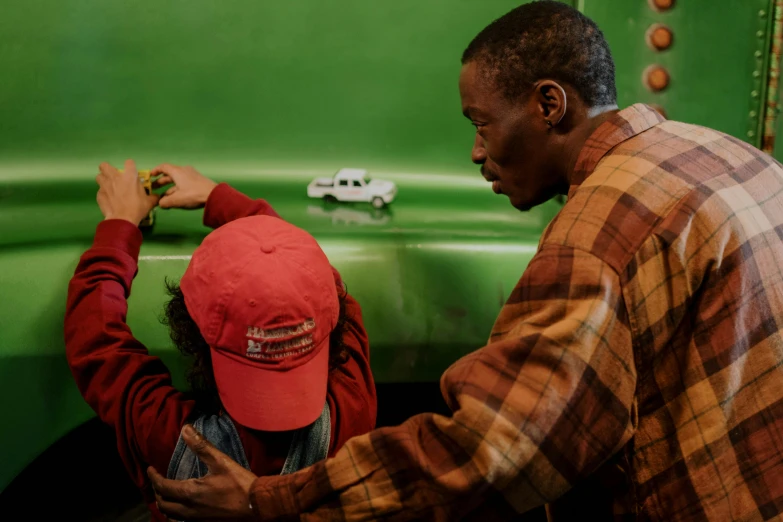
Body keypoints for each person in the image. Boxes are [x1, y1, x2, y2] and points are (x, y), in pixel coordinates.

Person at [147, 1, 783, 520]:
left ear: (550, 105)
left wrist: (270, 501)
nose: (477, 153)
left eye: (481, 124)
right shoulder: (725, 154)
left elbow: (488, 451)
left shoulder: (597, 236)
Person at [64, 160, 377, 521]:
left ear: (190, 333)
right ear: (334, 324)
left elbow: (96, 340)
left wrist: (120, 223)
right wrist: (223, 200)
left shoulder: (166, 436)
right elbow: (319, 274)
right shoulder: (353, 403)